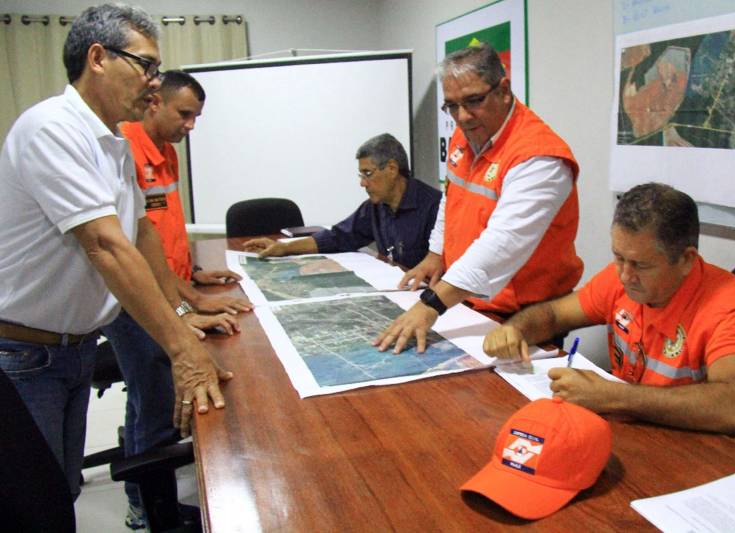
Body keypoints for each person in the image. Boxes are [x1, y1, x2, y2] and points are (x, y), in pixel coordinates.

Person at [0, 3, 229, 503]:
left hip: (73, 347)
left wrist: (182, 308)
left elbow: (142, 233)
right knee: (32, 505)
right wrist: (182, 348)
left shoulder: (113, 141)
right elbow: (106, 245)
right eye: (145, 65)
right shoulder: (53, 129)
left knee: (60, 493)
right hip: (24, 354)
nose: (154, 81)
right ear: (98, 57)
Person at [483, 183, 735, 434]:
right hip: (643, 433)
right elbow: (554, 314)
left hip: (712, 454)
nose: (624, 276)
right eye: (619, 258)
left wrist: (613, 396)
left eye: (641, 265)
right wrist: (515, 328)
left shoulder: (728, 309)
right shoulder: (623, 279)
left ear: (686, 260)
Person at [106, 69, 253, 529]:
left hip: (167, 289)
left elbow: (162, 228)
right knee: (154, 401)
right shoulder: (126, 149)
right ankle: (151, 513)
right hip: (139, 302)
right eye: (185, 114)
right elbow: (130, 247)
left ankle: (143, 496)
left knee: (147, 398)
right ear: (155, 104)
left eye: (196, 117)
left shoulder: (164, 152)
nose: (191, 125)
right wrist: (187, 303)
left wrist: (193, 274)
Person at [375, 43, 582, 354]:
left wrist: (430, 304)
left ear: (504, 89)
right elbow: (452, 195)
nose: (463, 116)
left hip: (527, 314)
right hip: (467, 298)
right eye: (452, 106)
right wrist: (436, 253)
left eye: (474, 101)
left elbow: (502, 243)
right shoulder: (469, 130)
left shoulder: (539, 157)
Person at [243, 133, 441, 270]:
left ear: (391, 168)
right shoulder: (374, 207)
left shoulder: (434, 207)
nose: (363, 183)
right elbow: (338, 237)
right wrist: (284, 248)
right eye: (361, 175)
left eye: (368, 174)